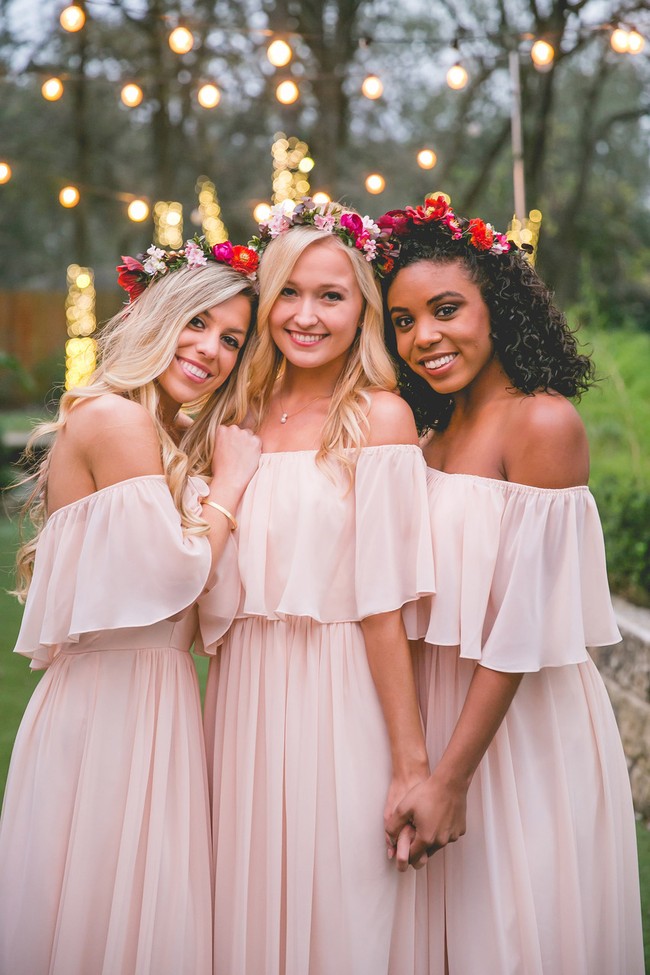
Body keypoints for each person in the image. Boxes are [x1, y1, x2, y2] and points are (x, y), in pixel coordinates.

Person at [379, 196, 644, 975]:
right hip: (437, 722)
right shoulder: (427, 433)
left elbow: (524, 628)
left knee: (514, 936)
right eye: (401, 321)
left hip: (516, 734)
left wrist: (452, 779)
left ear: (498, 306)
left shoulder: (543, 425)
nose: (423, 336)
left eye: (446, 309)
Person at [0, 235, 262, 975]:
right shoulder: (117, 421)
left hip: (154, 698)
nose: (212, 349)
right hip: (114, 708)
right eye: (197, 323)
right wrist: (234, 484)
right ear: (159, 318)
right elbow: (175, 569)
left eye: (232, 339)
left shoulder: (161, 432)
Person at [203, 199, 435, 975]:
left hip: (343, 696)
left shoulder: (381, 418)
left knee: (344, 912)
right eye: (290, 294)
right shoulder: (235, 414)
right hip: (241, 697)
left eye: (331, 295)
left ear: (361, 308)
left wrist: (410, 762)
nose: (306, 315)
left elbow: (385, 605)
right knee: (243, 908)